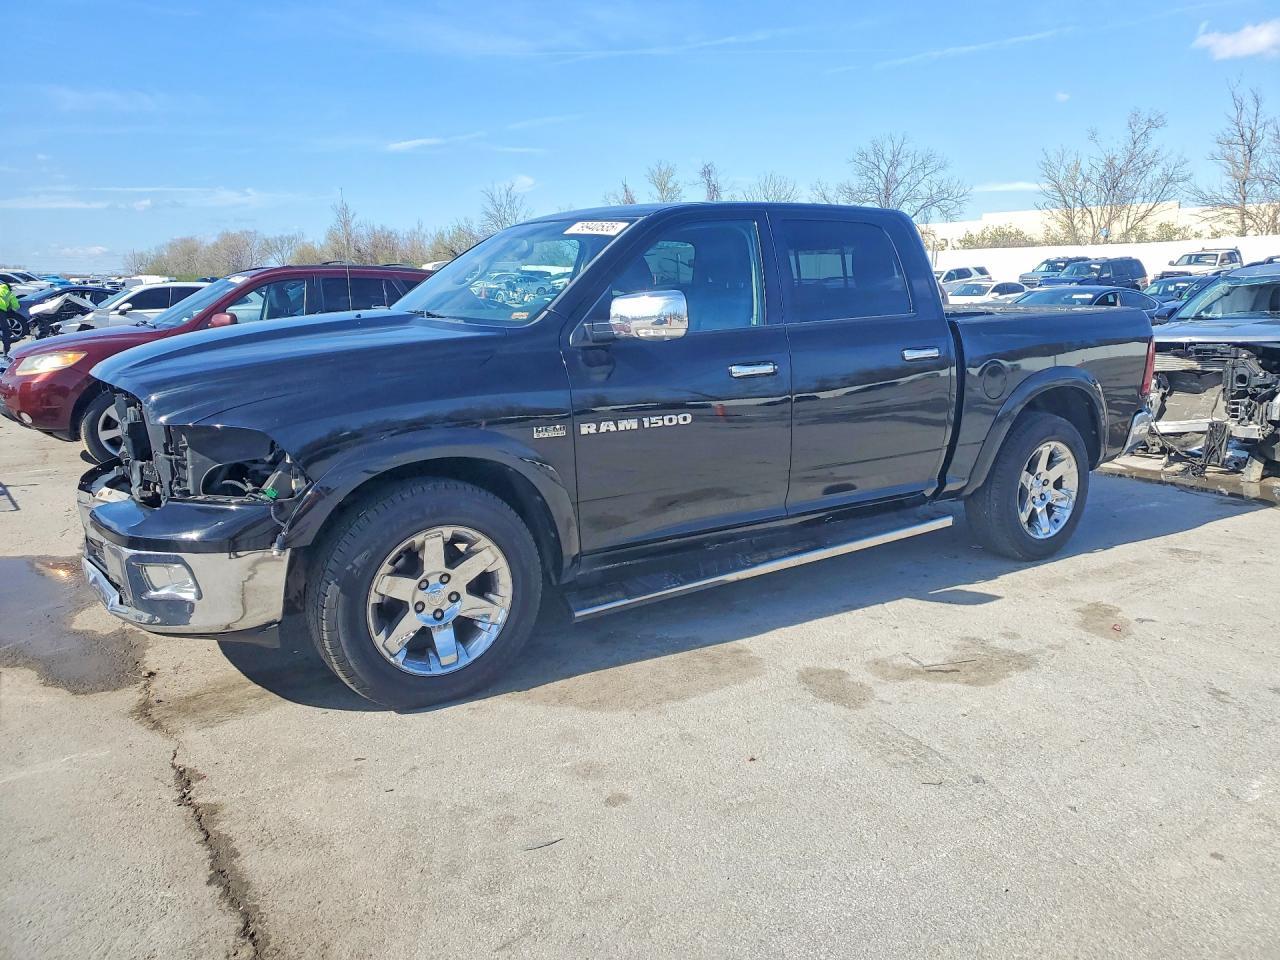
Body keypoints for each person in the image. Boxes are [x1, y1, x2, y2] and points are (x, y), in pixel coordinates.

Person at [0, 280, 23, 356]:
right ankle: (6, 351)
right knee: (6, 330)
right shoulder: (8, 293)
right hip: (1, 311)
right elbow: (16, 305)